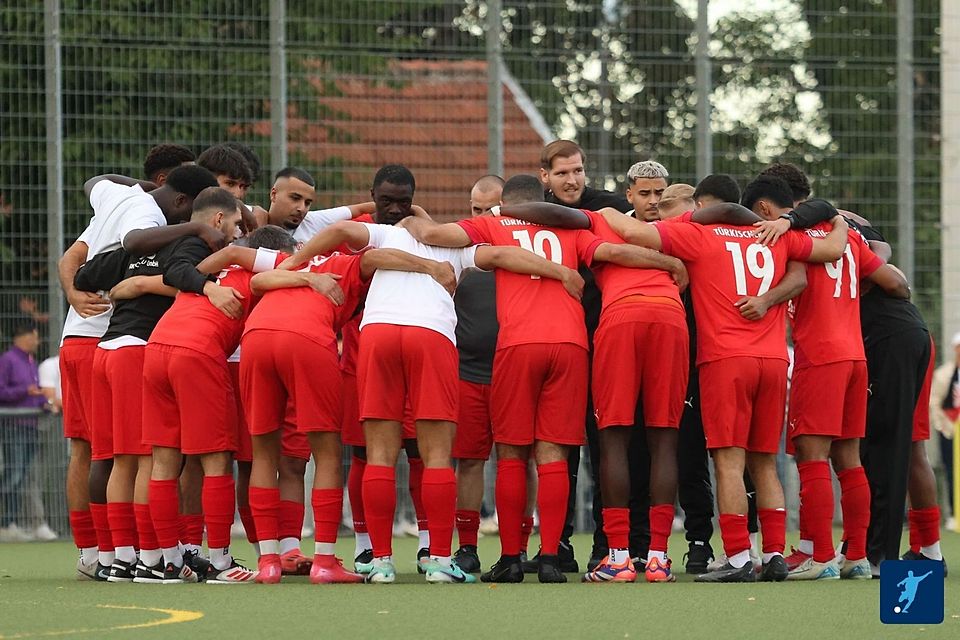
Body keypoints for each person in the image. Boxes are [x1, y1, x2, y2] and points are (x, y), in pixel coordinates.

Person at [281, 171, 590, 585]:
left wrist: (294, 263)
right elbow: (501, 257)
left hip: (379, 334)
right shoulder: (457, 244)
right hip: (432, 334)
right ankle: (441, 560)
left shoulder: (382, 235)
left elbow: (336, 229)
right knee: (438, 456)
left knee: (378, 455)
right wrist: (561, 272)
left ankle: (381, 562)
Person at [402, 174, 689, 583]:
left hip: (519, 344)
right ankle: (552, 558)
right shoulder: (571, 226)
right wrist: (669, 263)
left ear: (507, 203)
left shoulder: (494, 223)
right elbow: (613, 251)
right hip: (570, 345)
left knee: (513, 454)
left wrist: (409, 214)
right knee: (553, 454)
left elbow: (433, 233)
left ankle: (511, 559)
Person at [56, 163, 220, 580]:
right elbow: (183, 275)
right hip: (131, 350)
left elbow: (85, 263)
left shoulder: (116, 198)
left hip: (96, 346)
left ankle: (108, 556)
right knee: (148, 457)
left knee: (108, 456)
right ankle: (148, 557)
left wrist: (84, 288)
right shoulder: (168, 234)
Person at [743, 176, 909, 581]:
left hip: (820, 357)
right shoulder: (849, 239)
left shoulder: (795, 236)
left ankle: (820, 557)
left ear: (766, 208)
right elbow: (898, 285)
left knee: (811, 456)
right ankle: (855, 556)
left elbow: (797, 279)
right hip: (856, 357)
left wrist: (767, 302)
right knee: (849, 460)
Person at [451, 175, 504, 573]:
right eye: (476, 210)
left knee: (518, 460)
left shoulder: (524, 249)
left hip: (512, 372)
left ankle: (515, 549)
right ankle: (467, 546)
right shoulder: (457, 251)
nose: (483, 217)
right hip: (467, 373)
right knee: (469, 461)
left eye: (492, 209)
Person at [0, 321, 47, 542]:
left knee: (24, 476)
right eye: (35, 336)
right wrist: (24, 391)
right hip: (14, 426)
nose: (37, 341)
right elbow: (2, 391)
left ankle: (15, 523)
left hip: (30, 425)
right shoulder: (8, 360)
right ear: (24, 336)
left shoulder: (30, 361)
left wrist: (41, 401)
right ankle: (6, 523)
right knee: (13, 475)